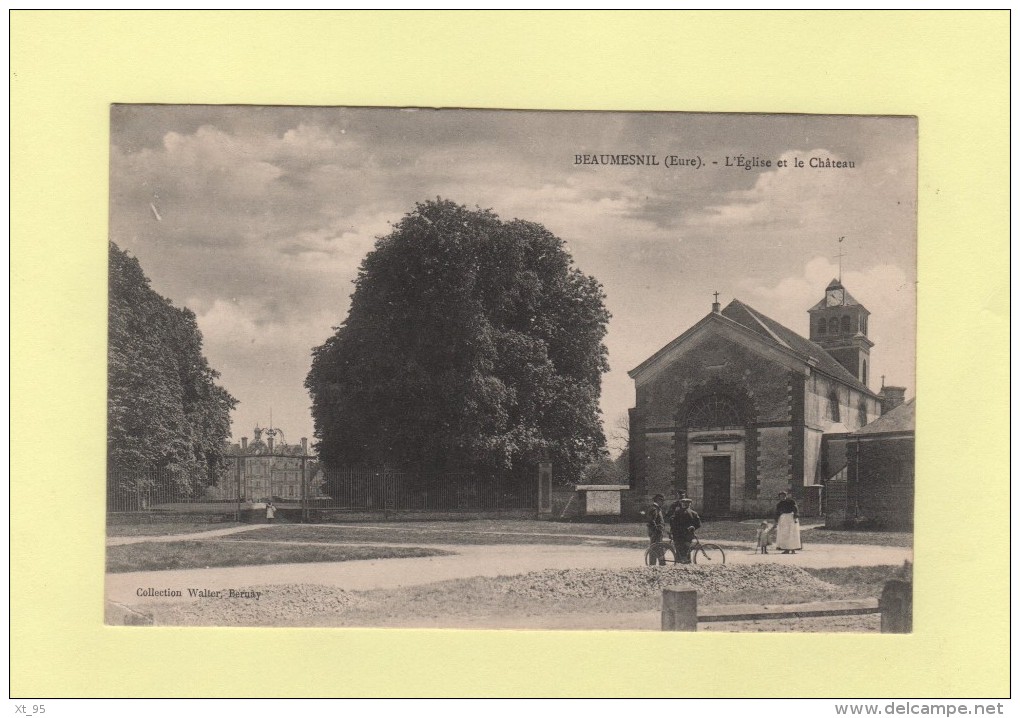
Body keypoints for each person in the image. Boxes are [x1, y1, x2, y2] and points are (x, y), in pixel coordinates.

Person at [670, 497, 701, 563]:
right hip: (687, 535)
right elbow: (698, 524)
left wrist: (672, 531)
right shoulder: (694, 513)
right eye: (684, 503)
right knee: (687, 550)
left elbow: (672, 522)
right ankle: (686, 563)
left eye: (685, 504)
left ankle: (680, 563)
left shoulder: (677, 513)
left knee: (680, 551)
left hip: (678, 535)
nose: (684, 505)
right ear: (690, 504)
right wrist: (693, 527)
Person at [645, 494, 667, 566]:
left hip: (657, 532)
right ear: (658, 500)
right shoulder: (654, 509)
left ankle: (658, 564)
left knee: (657, 548)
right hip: (656, 533)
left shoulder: (656, 508)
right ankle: (656, 564)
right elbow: (651, 521)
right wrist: (657, 529)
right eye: (662, 501)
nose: (663, 503)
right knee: (656, 548)